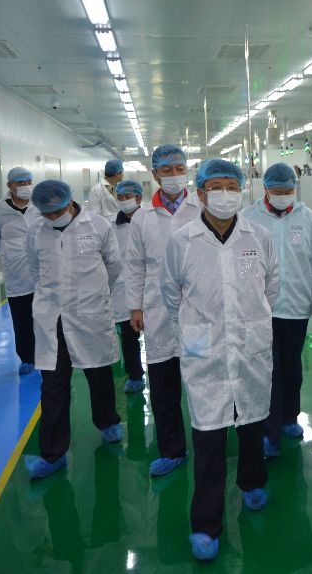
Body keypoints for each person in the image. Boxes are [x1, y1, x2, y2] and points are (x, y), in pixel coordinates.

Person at [160, 159, 279, 561]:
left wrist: (251, 322)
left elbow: (272, 286)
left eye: (232, 185)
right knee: (209, 438)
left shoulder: (259, 236)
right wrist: (197, 329)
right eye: (216, 187)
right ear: (200, 193)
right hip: (205, 352)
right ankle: (206, 525)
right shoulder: (182, 241)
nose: (226, 193)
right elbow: (170, 294)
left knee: (251, 423)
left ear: (241, 190)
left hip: (249, 347)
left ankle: (252, 482)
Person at [24, 180, 124, 479]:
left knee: (99, 373)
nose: (53, 218)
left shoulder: (98, 226)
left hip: (89, 314)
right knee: (53, 385)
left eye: (57, 212)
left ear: (70, 203)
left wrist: (93, 293)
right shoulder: (36, 231)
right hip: (52, 317)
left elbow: (114, 265)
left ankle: (107, 421)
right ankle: (53, 453)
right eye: (47, 214)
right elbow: (34, 269)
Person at [242, 162, 312, 458]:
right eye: (277, 191)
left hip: (296, 306)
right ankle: (270, 432)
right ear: (266, 190)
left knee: (292, 368)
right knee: (270, 370)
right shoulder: (250, 217)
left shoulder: (307, 218)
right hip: (262, 309)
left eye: (287, 190)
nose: (283, 196)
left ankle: (290, 417)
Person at [125, 144, 202, 477]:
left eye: (179, 169)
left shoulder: (202, 208)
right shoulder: (142, 218)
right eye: (167, 170)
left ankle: (211, 440)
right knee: (163, 385)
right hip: (157, 310)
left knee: (204, 380)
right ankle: (172, 449)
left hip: (200, 308)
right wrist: (135, 307)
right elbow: (135, 265)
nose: (174, 175)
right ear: (155, 174)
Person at [0, 167, 40, 373]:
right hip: (16, 274)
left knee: (46, 317)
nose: (26, 186)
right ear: (10, 185)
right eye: (20, 183)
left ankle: (49, 354)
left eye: (28, 182)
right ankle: (27, 358)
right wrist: (12, 253)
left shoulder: (39, 204)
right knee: (22, 318)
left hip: (42, 272)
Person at [111, 179, 146, 393]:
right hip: (123, 288)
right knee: (129, 336)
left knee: (159, 334)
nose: (124, 200)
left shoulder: (150, 219)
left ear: (139, 198)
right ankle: (135, 375)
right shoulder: (111, 226)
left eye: (128, 197)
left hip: (151, 285)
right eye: (120, 197)